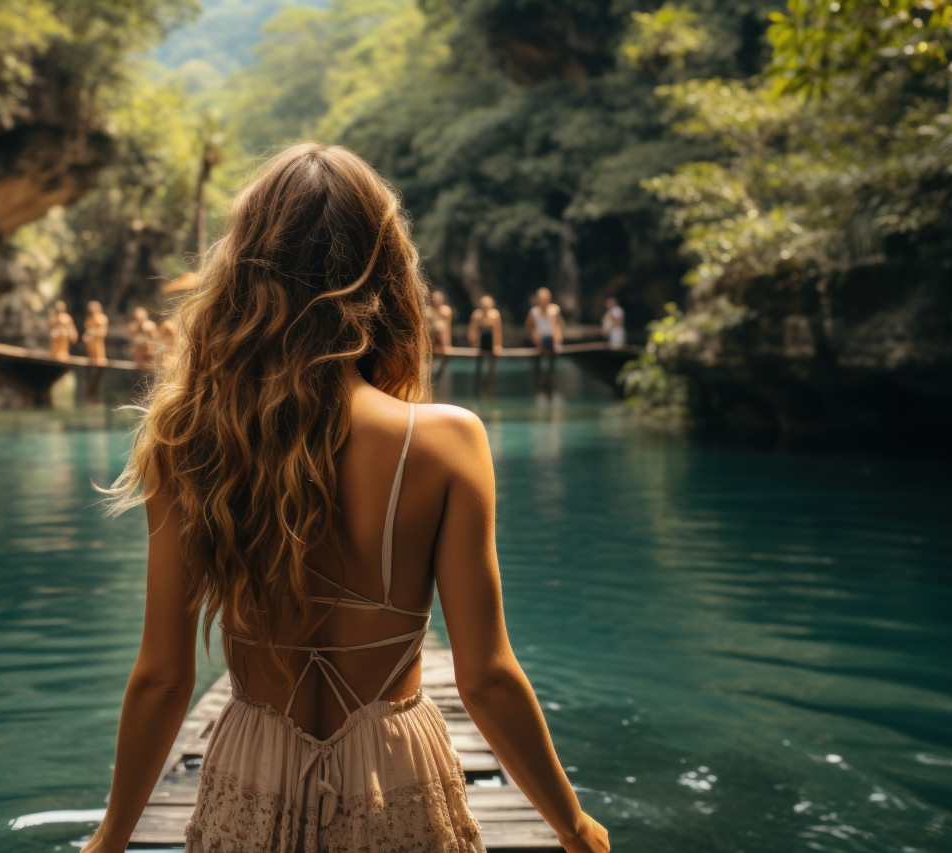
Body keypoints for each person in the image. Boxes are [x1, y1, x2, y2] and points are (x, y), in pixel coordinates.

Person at [85, 143, 609, 853]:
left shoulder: (190, 441)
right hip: (393, 771)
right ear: (387, 272)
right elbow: (484, 677)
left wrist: (109, 838)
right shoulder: (447, 441)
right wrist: (573, 827)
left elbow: (163, 678)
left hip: (250, 771)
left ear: (245, 275)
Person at [467, 294, 502, 396]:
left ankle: (489, 391)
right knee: (478, 368)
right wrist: (475, 344)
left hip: (491, 343)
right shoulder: (476, 315)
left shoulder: (495, 315)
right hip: (481, 344)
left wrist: (497, 345)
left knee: (491, 369)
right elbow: (472, 331)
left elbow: (497, 331)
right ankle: (477, 391)